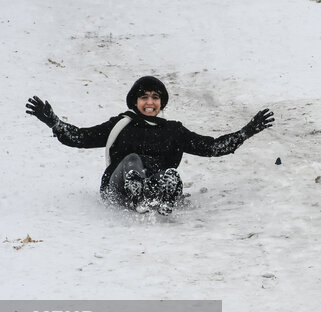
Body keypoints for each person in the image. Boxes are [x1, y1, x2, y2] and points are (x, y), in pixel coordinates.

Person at [26, 75, 274, 215]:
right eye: (144, 96)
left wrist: (247, 131)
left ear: (161, 102)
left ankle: (163, 200)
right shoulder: (121, 124)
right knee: (133, 160)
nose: (150, 102)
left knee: (171, 174)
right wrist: (54, 122)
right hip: (119, 187)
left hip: (155, 185)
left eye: (155, 97)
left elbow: (210, 147)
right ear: (135, 101)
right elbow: (81, 137)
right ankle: (137, 196)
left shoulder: (173, 130)